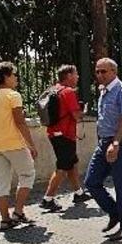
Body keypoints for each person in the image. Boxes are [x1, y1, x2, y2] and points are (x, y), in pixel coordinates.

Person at [84, 58, 122, 241]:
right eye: (97, 71)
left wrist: (115, 143)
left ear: (114, 71)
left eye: (103, 71)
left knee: (121, 186)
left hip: (120, 142)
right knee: (91, 181)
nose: (99, 75)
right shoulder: (103, 91)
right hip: (104, 143)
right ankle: (115, 213)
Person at [0, 62, 39, 231]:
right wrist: (31, 145)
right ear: (6, 76)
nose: (16, 78)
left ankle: (5, 220)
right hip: (14, 144)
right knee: (28, 174)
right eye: (14, 75)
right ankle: (18, 212)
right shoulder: (13, 95)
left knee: (2, 182)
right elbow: (20, 122)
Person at [40, 64, 92, 212]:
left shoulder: (53, 89)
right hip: (64, 134)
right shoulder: (68, 92)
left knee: (72, 162)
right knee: (62, 167)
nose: (78, 77)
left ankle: (78, 193)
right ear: (69, 76)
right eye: (76, 74)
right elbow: (76, 115)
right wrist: (84, 111)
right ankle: (47, 199)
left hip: (55, 133)